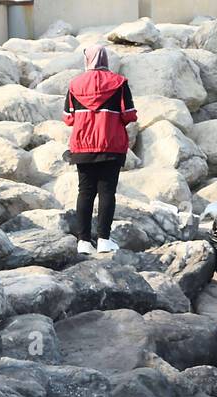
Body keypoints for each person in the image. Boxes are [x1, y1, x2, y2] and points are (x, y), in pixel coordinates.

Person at [63, 45, 137, 256]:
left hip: (83, 146)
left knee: (85, 192)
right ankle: (104, 239)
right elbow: (129, 115)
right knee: (107, 192)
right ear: (105, 59)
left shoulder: (74, 84)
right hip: (111, 145)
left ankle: (83, 241)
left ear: (87, 59)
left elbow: (68, 118)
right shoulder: (119, 83)